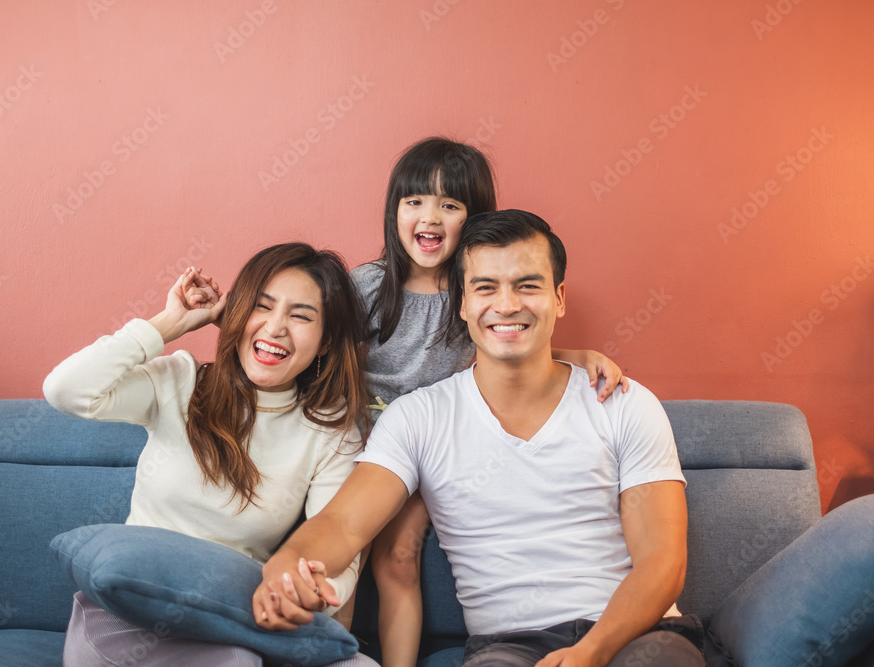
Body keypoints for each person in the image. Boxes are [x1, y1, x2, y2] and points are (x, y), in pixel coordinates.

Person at [253, 211, 706, 667]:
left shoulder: (622, 402)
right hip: (506, 649)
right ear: (463, 303)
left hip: (639, 636)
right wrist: (285, 566)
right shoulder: (418, 418)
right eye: (486, 287)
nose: (506, 305)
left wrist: (590, 652)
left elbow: (662, 561)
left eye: (527, 285)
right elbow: (343, 524)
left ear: (559, 297)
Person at [353, 138, 628, 667]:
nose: (429, 217)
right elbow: (308, 341)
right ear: (394, 211)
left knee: (403, 550)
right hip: (373, 446)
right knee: (377, 554)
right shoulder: (367, 286)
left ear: (474, 220)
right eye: (414, 201)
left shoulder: (478, 293)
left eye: (449, 205)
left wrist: (578, 353)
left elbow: (512, 345)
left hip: (439, 448)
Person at [43, 243, 378, 667]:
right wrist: (169, 324)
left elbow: (336, 542)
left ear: (327, 339)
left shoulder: (331, 430)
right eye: (261, 306)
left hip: (233, 618)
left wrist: (313, 591)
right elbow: (66, 390)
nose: (275, 328)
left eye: (300, 315)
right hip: (129, 615)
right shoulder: (179, 381)